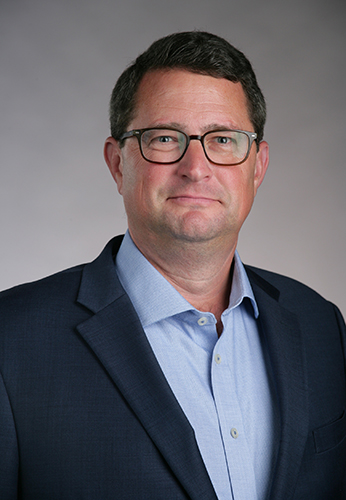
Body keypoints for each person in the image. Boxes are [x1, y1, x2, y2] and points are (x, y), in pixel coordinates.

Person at [0, 31, 345, 500]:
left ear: (258, 166)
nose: (196, 166)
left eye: (223, 139)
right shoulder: (11, 340)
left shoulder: (320, 324)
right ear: (118, 163)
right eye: (165, 137)